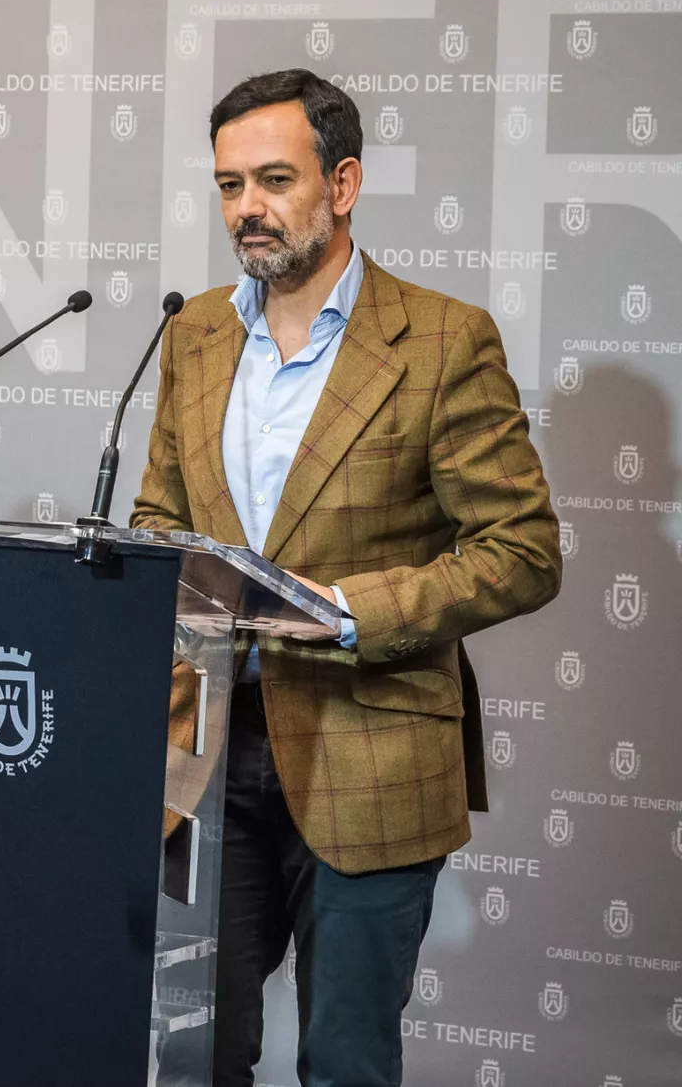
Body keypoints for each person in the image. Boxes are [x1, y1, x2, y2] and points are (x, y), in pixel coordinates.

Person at [131, 69, 561, 1086]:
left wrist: (346, 611)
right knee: (185, 1056)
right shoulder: (190, 334)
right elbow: (158, 518)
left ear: (342, 182)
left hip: (369, 757)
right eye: (228, 184)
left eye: (273, 179)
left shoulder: (441, 341)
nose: (246, 208)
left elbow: (522, 548)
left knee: (344, 1063)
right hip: (202, 757)